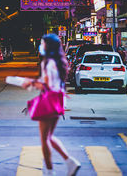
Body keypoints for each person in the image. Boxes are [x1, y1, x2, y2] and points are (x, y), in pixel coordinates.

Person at [23, 33, 81, 176]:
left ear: (48, 46)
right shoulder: (60, 62)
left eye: (42, 44)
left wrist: (29, 83)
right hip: (58, 101)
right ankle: (70, 162)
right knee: (49, 136)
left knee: (44, 139)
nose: (41, 46)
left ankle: (49, 172)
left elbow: (47, 85)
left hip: (49, 101)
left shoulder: (47, 63)